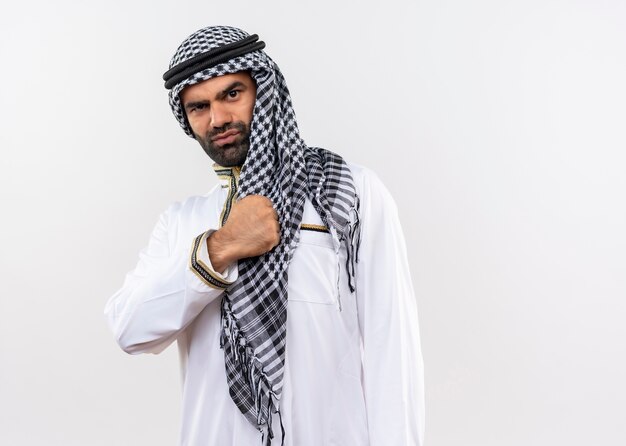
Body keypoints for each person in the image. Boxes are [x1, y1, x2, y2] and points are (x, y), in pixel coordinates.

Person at [105, 25, 424, 446]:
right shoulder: (183, 222)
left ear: (264, 90)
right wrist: (220, 250)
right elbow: (130, 329)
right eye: (199, 107)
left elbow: (392, 351)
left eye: (232, 94)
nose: (218, 119)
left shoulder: (349, 195)